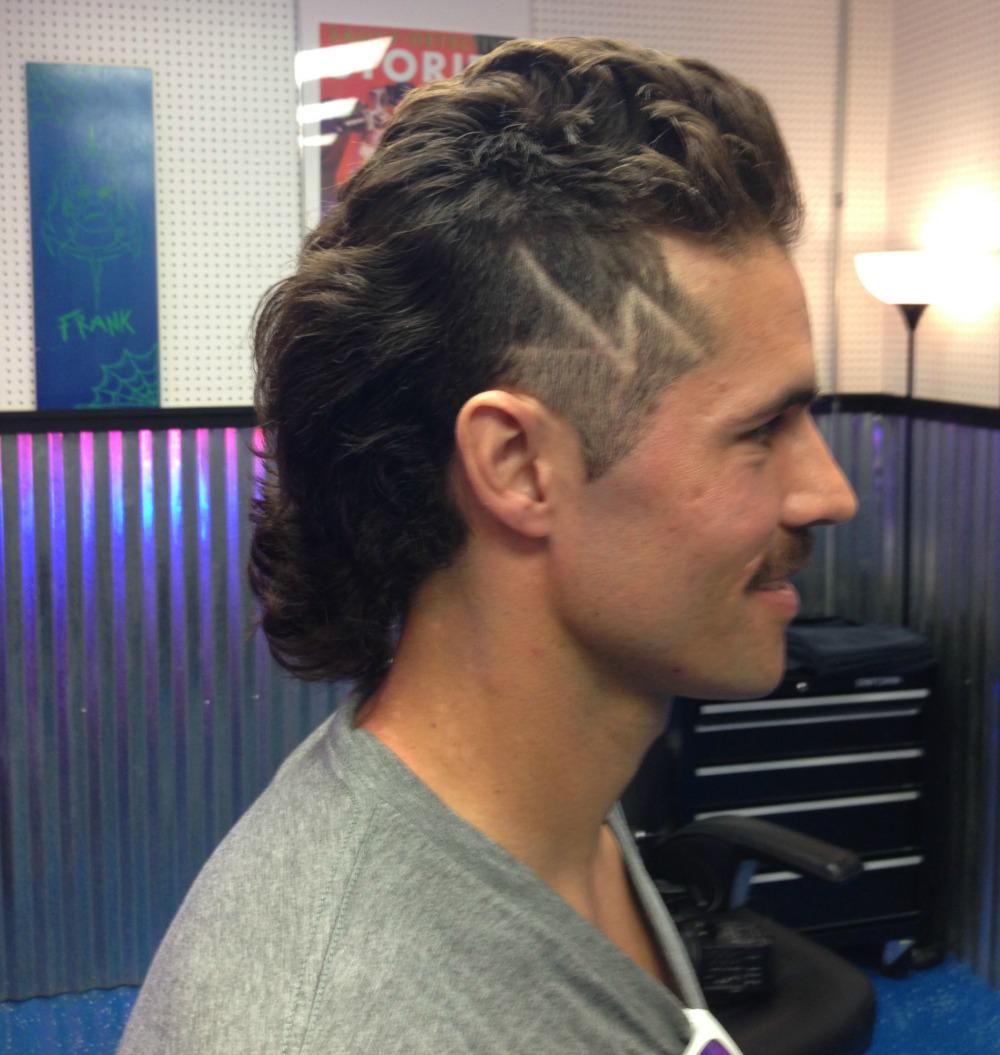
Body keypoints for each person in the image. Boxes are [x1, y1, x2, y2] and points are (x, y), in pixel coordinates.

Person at [119, 35, 857, 1054]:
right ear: (516, 466)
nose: (830, 494)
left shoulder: (560, 810)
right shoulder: (337, 1026)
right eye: (760, 429)